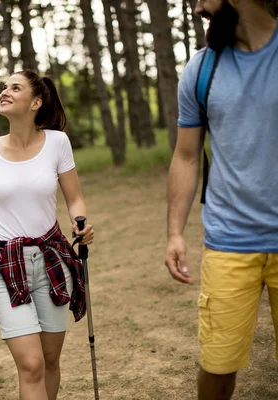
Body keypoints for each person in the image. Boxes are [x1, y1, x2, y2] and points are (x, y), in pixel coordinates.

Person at [0, 70, 94, 400]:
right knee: (30, 365)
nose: (5, 92)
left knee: (49, 360)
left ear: (35, 102)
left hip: (51, 262)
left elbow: (74, 198)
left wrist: (81, 222)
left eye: (15, 88)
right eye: (4, 87)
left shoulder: (58, 143)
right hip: (4, 264)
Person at [165, 1, 278, 399]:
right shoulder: (201, 69)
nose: (197, 7)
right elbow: (186, 155)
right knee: (217, 365)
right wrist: (175, 233)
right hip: (228, 244)